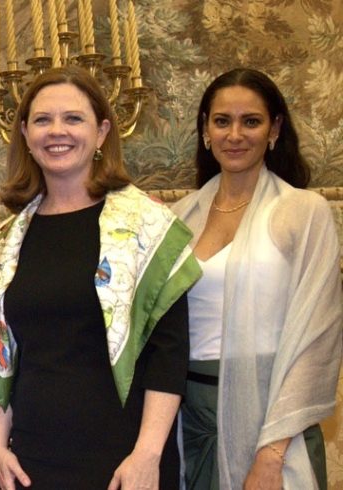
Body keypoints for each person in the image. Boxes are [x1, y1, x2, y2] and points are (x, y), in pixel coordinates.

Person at [0, 66, 200, 490]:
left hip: (123, 459)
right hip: (32, 460)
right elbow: (5, 352)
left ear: (101, 132)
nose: (56, 131)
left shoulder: (147, 227)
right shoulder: (8, 239)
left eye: (73, 118)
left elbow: (168, 354)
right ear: (24, 133)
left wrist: (147, 454)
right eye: (42, 120)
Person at [171, 68, 343, 490]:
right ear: (206, 130)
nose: (235, 135)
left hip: (272, 421)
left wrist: (272, 452)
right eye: (222, 121)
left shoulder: (303, 211)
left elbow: (318, 339)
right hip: (188, 420)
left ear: (274, 129)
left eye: (251, 121)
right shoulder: (177, 217)